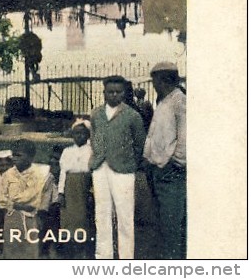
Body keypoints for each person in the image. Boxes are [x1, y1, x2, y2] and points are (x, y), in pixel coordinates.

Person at [89, 75, 146, 260]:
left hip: (123, 170)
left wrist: (131, 163)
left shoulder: (132, 115)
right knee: (102, 213)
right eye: (110, 92)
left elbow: (140, 144)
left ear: (124, 93)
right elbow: (94, 138)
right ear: (104, 92)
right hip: (100, 168)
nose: (114, 95)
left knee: (125, 216)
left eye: (118, 92)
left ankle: (126, 259)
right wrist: (97, 159)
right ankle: (103, 256)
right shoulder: (96, 114)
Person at [144, 61, 187, 259]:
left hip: (172, 172)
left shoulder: (180, 101)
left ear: (163, 80)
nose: (153, 85)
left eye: (155, 81)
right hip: (159, 169)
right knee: (163, 223)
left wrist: (174, 163)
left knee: (172, 226)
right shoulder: (164, 101)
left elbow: (185, 139)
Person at [0, 138, 52, 259]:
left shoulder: (37, 176)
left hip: (30, 219)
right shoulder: (8, 174)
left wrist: (12, 200)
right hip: (11, 218)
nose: (15, 158)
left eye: (19, 155)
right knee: (11, 249)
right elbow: (0, 198)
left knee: (29, 250)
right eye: (13, 155)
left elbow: (32, 197)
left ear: (30, 157)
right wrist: (16, 205)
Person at [58, 119, 94, 259]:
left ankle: (83, 252)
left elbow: (93, 174)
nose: (79, 136)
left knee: (83, 218)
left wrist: (91, 191)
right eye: (76, 133)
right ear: (72, 135)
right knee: (68, 219)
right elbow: (63, 173)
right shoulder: (67, 151)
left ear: (88, 135)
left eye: (83, 133)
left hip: (83, 186)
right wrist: (61, 192)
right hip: (69, 187)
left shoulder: (92, 151)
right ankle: (69, 252)